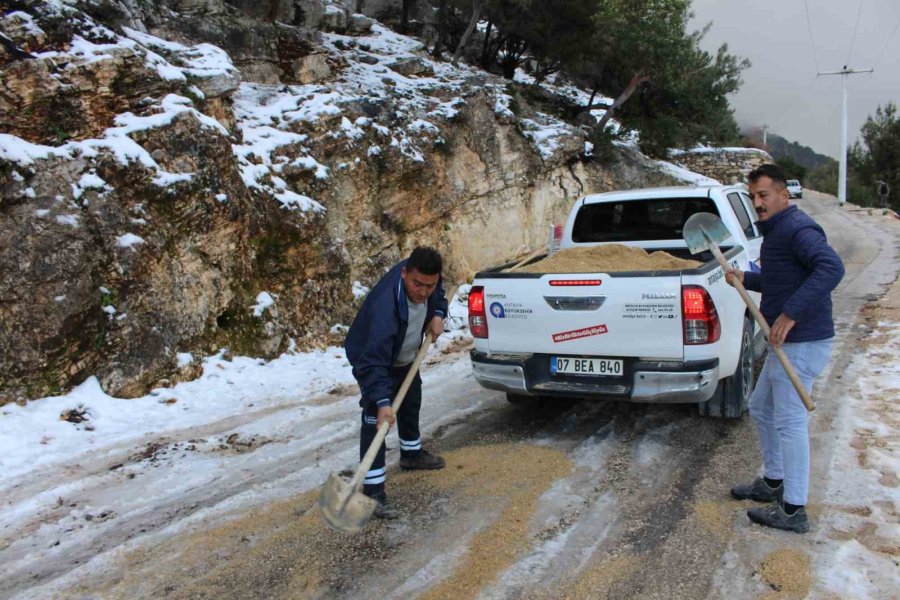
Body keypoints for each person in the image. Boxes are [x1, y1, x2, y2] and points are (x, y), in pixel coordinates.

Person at [727, 164, 845, 533]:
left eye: (764, 195)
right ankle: (774, 481)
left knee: (791, 423)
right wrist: (747, 278)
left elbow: (831, 268)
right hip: (787, 344)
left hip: (803, 341)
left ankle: (794, 509)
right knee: (761, 407)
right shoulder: (776, 231)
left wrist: (791, 313)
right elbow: (783, 278)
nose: (758, 203)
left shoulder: (797, 228)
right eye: (753, 197)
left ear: (783, 194)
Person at [344, 246, 448, 519]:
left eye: (429, 285)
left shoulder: (427, 278)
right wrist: (381, 402)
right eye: (417, 284)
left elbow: (439, 293)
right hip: (373, 358)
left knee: (411, 397)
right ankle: (373, 490)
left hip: (404, 354)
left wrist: (438, 312)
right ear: (404, 274)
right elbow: (372, 363)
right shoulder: (385, 308)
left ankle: (411, 454)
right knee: (375, 420)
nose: (423, 291)